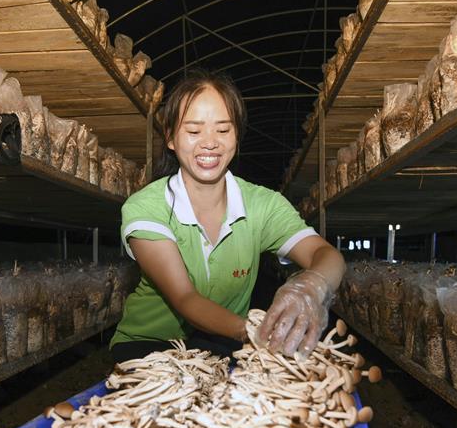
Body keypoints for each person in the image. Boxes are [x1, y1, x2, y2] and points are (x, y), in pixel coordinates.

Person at [109, 69, 345, 362]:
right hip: (151, 345)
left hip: (221, 342)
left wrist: (312, 285)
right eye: (193, 131)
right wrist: (258, 331)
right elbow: (185, 298)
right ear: (170, 137)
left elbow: (325, 254)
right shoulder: (147, 207)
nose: (210, 142)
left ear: (237, 135)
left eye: (223, 130)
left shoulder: (262, 204)